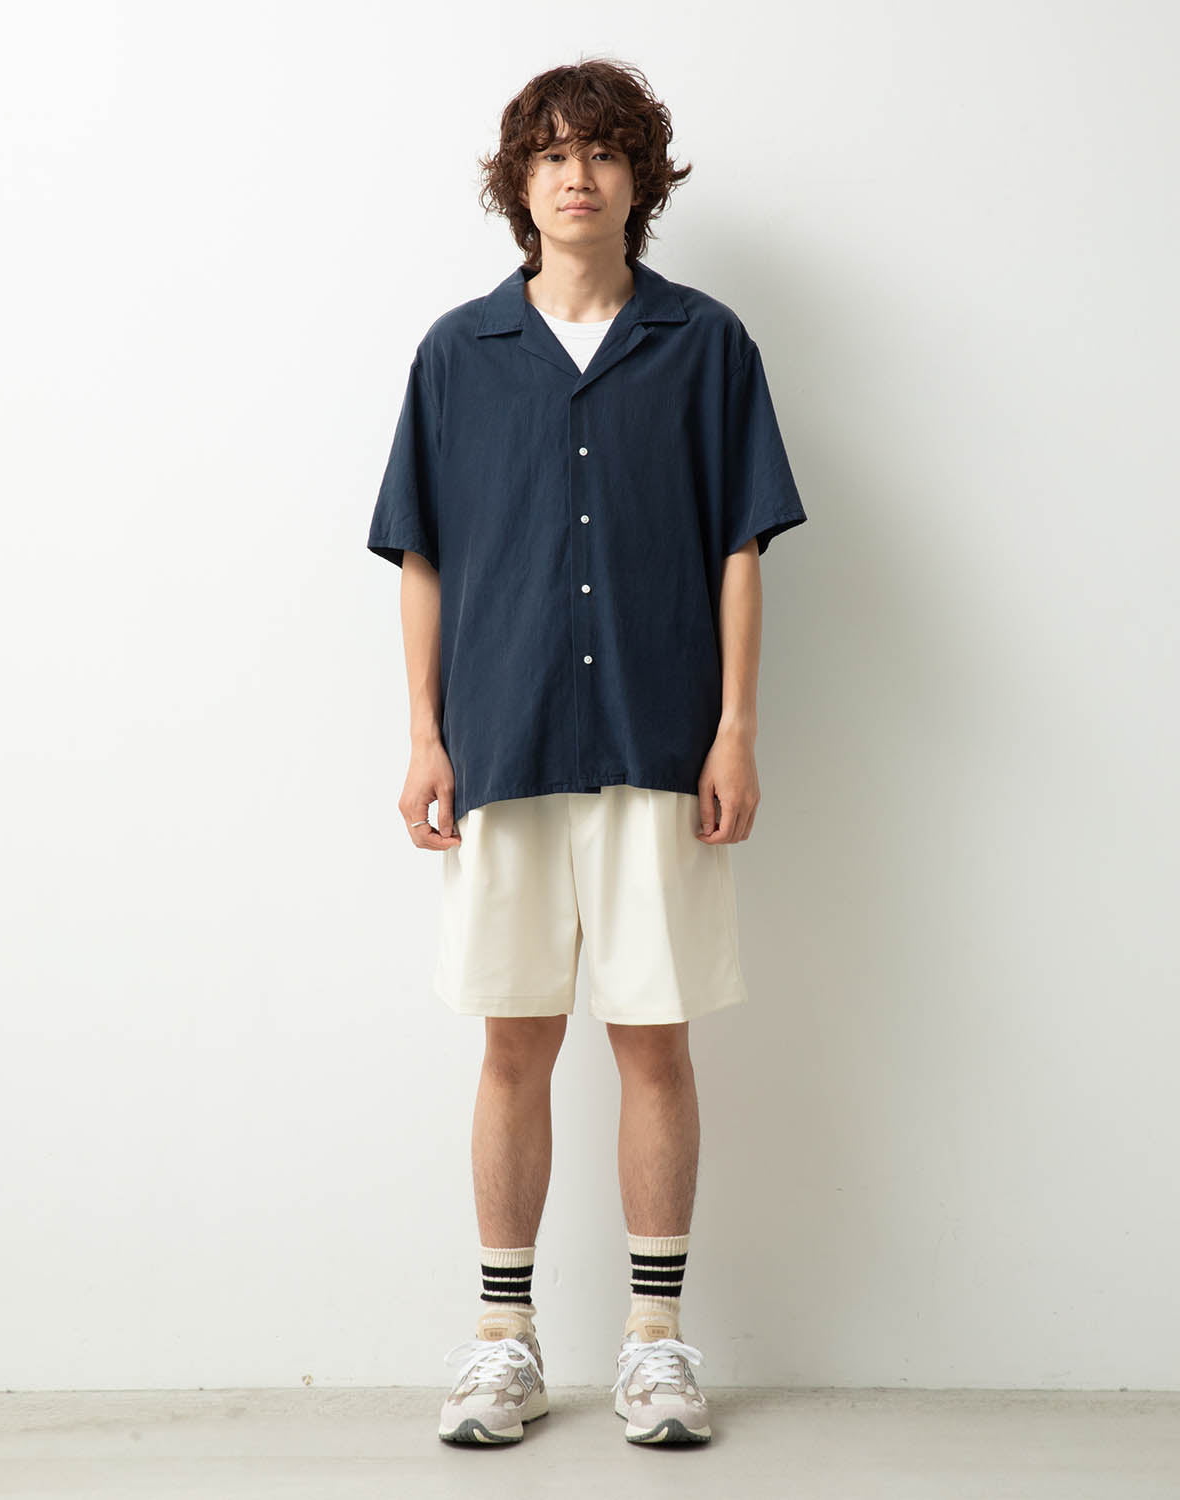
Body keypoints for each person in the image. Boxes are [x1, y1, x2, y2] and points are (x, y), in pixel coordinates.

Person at [366, 57, 807, 1447]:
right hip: (501, 743)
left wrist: (735, 729)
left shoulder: (707, 345)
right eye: (552, 153)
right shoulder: (458, 354)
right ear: (519, 181)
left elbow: (740, 548)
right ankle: (503, 1343)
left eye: (605, 152)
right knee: (514, 1040)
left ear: (640, 179)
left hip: (659, 742)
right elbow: (422, 554)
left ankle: (656, 1344)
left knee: (653, 1039)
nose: (578, 174)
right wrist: (424, 734)